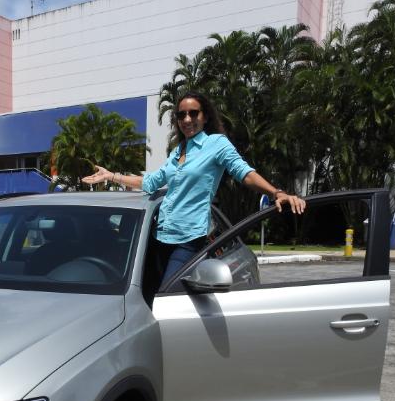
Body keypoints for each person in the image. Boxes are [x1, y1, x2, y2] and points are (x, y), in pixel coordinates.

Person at [82, 90, 306, 288]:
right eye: (181, 115)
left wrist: (276, 193)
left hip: (188, 239)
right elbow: (151, 182)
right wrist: (111, 176)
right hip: (160, 237)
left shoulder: (216, 144)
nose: (187, 119)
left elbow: (244, 173)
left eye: (193, 113)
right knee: (144, 293)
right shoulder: (177, 151)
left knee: (168, 295)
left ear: (205, 117)